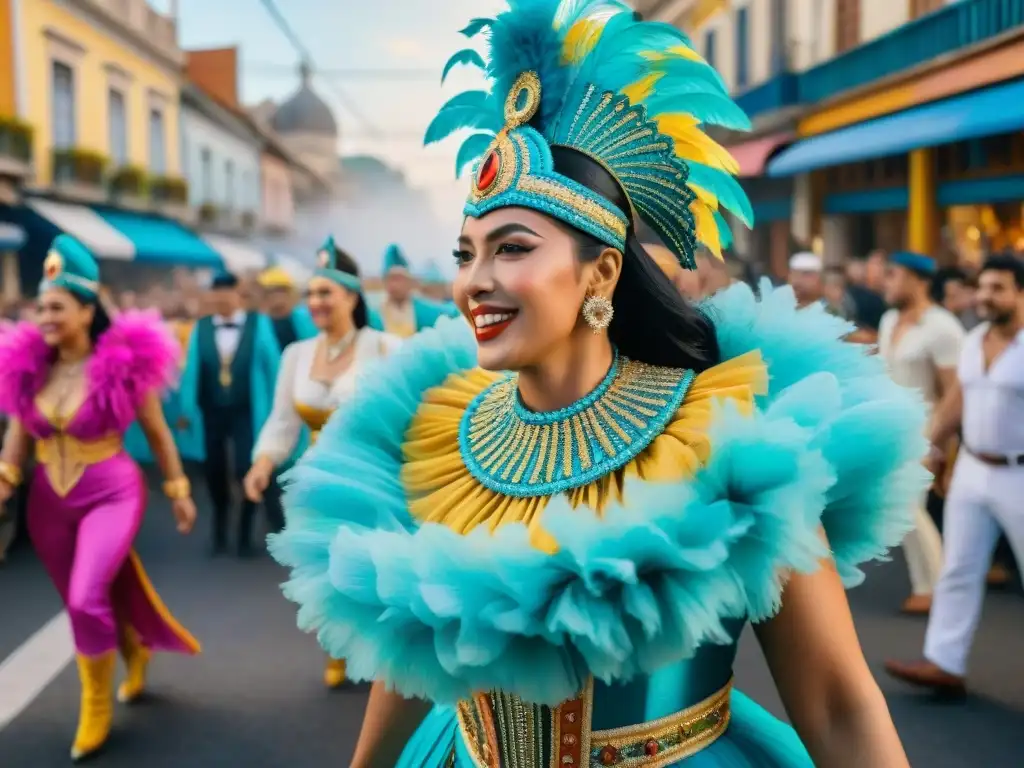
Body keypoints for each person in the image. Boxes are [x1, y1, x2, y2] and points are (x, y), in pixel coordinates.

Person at [270, 4, 926, 767]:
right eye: (465, 253)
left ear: (603, 270)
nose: (475, 283)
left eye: (511, 248)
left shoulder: (735, 440)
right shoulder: (429, 435)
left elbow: (839, 704)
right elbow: (422, 644)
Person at [0, 235, 199, 761]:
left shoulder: (124, 365)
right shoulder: (30, 368)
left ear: (88, 312)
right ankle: (134, 649)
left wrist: (178, 490)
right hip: (48, 502)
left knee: (88, 595)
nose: (43, 316)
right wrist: (3, 481)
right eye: (40, 307)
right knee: (82, 600)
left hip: (110, 490)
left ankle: (95, 706)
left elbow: (157, 433)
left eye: (57, 307)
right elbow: (18, 437)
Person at [244, 236, 400, 688]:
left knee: (371, 571)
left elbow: (414, 413)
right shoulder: (296, 355)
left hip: (374, 478)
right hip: (316, 481)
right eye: (310, 293)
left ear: (351, 295)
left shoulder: (387, 348)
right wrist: (261, 463)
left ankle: (379, 651)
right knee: (326, 573)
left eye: (324, 292)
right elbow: (281, 422)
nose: (314, 302)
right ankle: (339, 645)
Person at [885, 254, 1024, 697]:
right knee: (958, 569)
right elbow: (956, 400)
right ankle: (944, 662)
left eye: (998, 287)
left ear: (1021, 293)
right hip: (972, 469)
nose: (985, 296)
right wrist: (933, 449)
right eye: (982, 287)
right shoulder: (976, 337)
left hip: (1019, 474)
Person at [879, 251, 964, 615]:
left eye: (894, 275)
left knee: (908, 507)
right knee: (902, 509)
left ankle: (939, 588)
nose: (887, 282)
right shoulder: (887, 320)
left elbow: (955, 391)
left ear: (920, 280)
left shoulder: (943, 326)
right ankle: (928, 585)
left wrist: (944, 443)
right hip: (889, 428)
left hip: (925, 430)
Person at [177, 272, 280, 556]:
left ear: (239, 295)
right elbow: (190, 371)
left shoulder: (258, 324)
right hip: (212, 410)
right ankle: (219, 528)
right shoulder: (203, 327)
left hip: (247, 410)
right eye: (217, 294)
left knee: (247, 468)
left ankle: (245, 534)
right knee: (214, 470)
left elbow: (273, 367)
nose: (222, 299)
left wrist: (278, 408)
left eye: (227, 293)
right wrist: (186, 409)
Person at [255, 265, 317, 534]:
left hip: (303, 402)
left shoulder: (306, 322)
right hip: (268, 403)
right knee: (271, 462)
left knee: (303, 463)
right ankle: (275, 521)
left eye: (283, 292)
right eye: (272, 292)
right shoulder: (257, 329)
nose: (278, 298)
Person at [371, 244, 449, 337]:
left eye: (398, 279)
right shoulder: (374, 314)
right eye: (390, 279)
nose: (395, 285)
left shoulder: (426, 311)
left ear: (409, 281)